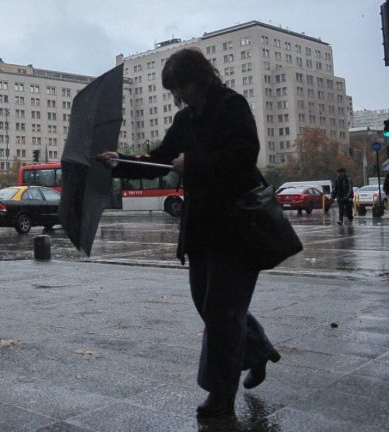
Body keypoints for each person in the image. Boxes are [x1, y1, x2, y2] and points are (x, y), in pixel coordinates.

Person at [97, 47, 280, 418]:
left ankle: (220, 397)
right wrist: (120, 162)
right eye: (175, 91)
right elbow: (163, 158)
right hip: (202, 229)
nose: (178, 97)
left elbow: (244, 156)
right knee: (209, 305)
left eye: (181, 88)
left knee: (221, 314)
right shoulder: (185, 120)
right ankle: (258, 350)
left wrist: (193, 163)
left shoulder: (231, 105)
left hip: (238, 226)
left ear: (199, 80)